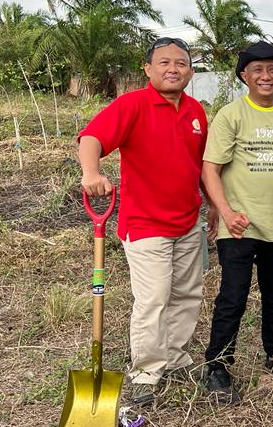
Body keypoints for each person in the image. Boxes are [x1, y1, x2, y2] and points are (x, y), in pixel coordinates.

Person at [78, 37, 208, 407]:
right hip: (146, 224)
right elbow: (92, 137)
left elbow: (199, 168)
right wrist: (91, 171)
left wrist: (213, 207)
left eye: (181, 63)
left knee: (187, 295)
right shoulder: (132, 104)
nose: (172, 69)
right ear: (148, 69)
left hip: (187, 221)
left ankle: (177, 358)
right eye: (164, 62)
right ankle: (147, 370)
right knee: (153, 299)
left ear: (190, 71)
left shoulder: (197, 112)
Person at [201, 41, 273, 402]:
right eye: (257, 70)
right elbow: (210, 170)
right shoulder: (231, 115)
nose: (266, 76)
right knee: (233, 296)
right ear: (244, 76)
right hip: (238, 225)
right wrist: (226, 212)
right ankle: (218, 364)